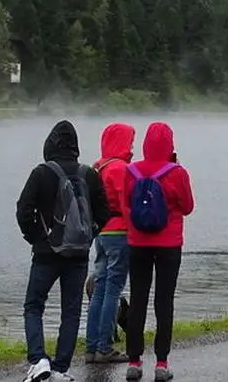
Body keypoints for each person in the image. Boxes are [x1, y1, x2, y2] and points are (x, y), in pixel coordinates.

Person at [16, 120, 110, 382]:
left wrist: (36, 237)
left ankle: (38, 360)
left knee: (34, 305)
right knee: (71, 311)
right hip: (78, 254)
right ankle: (60, 368)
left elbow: (23, 210)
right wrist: (88, 235)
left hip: (46, 253)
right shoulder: (89, 173)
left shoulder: (41, 172)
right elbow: (104, 212)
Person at [122, 122, 195, 382]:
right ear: (170, 144)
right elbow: (187, 207)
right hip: (169, 244)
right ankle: (162, 363)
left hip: (138, 243)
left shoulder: (130, 171)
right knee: (164, 302)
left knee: (138, 299)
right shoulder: (177, 172)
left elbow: (125, 206)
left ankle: (134, 361)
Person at [84, 122, 136, 364]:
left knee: (100, 289)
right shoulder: (121, 169)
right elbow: (127, 204)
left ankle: (91, 347)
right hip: (119, 232)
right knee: (113, 290)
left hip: (101, 233)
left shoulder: (98, 167)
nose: (132, 145)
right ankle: (105, 346)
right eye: (130, 140)